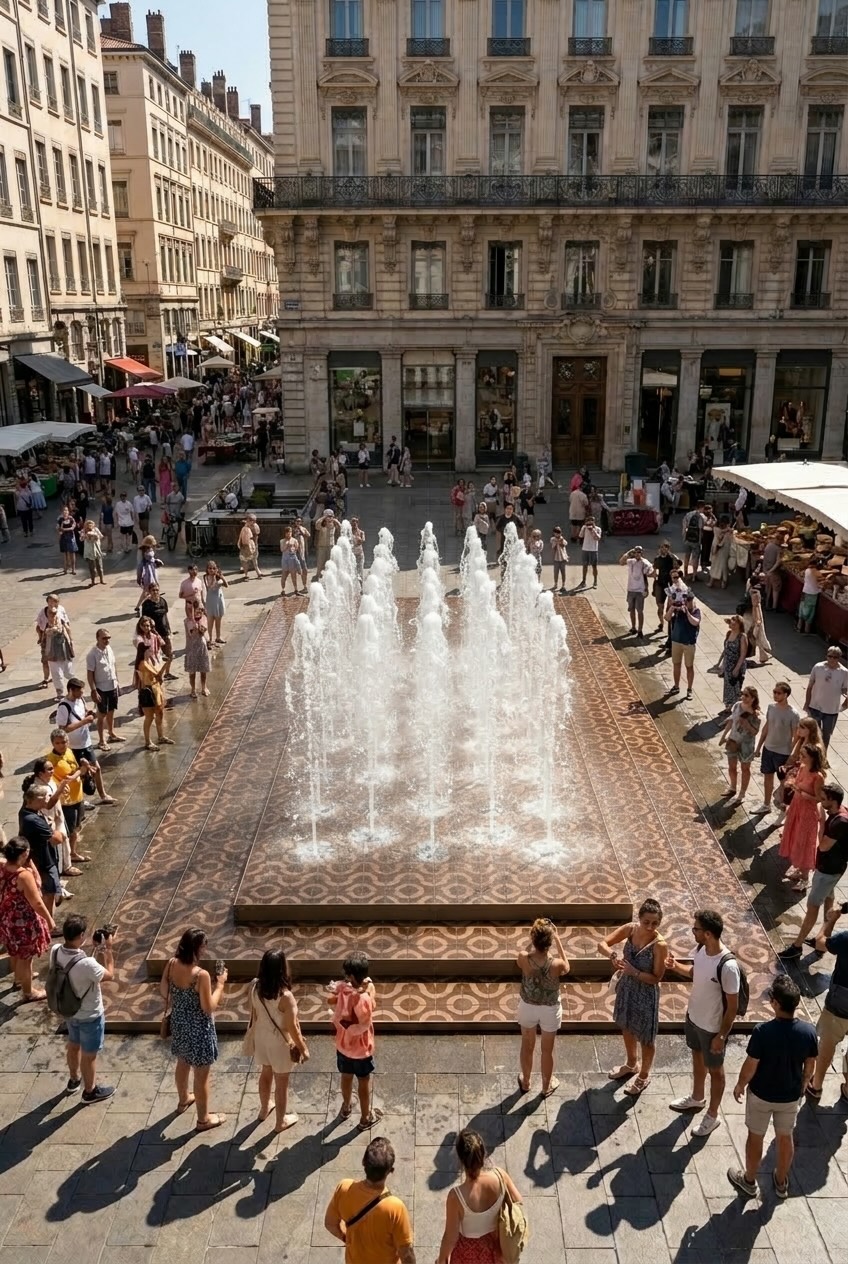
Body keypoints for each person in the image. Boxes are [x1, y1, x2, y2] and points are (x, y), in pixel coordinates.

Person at [727, 974, 818, 1199]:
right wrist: (804, 1083)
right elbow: (810, 1064)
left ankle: (749, 1180)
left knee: (755, 1137)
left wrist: (740, 1084)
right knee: (785, 1138)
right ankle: (780, 1182)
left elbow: (751, 1065)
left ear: (776, 1003)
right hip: (789, 1097)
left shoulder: (762, 1032)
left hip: (761, 1095)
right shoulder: (808, 1032)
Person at [667, 908, 740, 1137]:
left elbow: (733, 1005)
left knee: (716, 1071)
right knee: (696, 1057)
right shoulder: (701, 949)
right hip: (694, 1017)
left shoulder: (728, 966)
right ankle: (697, 1098)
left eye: (696, 929)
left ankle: (712, 1115)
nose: (693, 932)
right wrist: (675, 967)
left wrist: (721, 1036)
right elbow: (695, 972)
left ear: (708, 933)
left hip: (712, 1027)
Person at [160, 927, 227, 1129]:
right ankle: (203, 1119)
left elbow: (164, 990)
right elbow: (209, 1007)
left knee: (182, 1062)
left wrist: (180, 1003)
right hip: (199, 1028)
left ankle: (183, 1100)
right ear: (199, 948)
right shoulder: (201, 975)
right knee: (201, 1074)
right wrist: (221, 985)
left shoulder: (171, 963)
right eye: (204, 946)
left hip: (179, 1023)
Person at [600, 898, 668, 1096]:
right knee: (626, 1024)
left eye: (655, 923)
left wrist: (634, 972)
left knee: (646, 1037)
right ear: (639, 919)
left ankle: (644, 1076)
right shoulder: (630, 930)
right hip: (627, 988)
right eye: (646, 922)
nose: (650, 926)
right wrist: (612, 955)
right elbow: (602, 944)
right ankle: (631, 1063)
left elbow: (657, 977)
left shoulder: (660, 945)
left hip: (646, 993)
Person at [50, 913, 115, 1102]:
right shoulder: (88, 964)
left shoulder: (55, 951)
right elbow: (109, 974)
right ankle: (90, 1091)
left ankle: (73, 1080)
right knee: (89, 1055)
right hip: (90, 1015)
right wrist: (108, 949)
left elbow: (73, 962)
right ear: (80, 936)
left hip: (69, 1011)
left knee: (73, 1045)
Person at [780, 784, 848, 960]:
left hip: (828, 871)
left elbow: (823, 846)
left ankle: (797, 946)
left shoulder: (839, 821)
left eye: (824, 799)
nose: (821, 801)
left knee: (812, 907)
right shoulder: (840, 813)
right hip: (833, 869)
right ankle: (823, 943)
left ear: (833, 801)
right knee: (829, 900)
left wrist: (821, 821)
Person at [246, 948, 309, 1132]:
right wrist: (303, 1048)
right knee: (282, 1083)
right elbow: (291, 1028)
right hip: (279, 1043)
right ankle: (280, 1122)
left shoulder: (254, 986)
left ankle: (264, 1109)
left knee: (265, 1073)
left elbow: (254, 1011)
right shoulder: (285, 997)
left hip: (261, 1037)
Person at [436, 1129, 523, 1264]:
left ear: (460, 1160)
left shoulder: (456, 1196)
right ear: (482, 1153)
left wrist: (441, 1259)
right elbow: (518, 1201)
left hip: (465, 1252)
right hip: (495, 1247)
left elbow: (450, 1237)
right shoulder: (500, 1176)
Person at [324, 1136, 415, 1264]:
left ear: (363, 1163)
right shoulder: (395, 1208)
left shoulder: (344, 1188)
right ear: (391, 1171)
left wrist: (347, 1238)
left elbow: (330, 1224)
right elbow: (406, 1254)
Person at [326, 949, 381, 1130]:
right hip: (362, 1048)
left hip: (343, 1044)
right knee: (363, 1082)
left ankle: (346, 1107)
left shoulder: (344, 989)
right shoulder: (365, 995)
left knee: (346, 1076)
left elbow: (330, 1001)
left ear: (350, 975)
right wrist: (369, 991)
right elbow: (371, 1007)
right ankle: (365, 1118)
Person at [516, 917, 570, 1096]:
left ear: (533, 939)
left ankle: (526, 1081)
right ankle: (546, 1086)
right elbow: (567, 968)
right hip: (549, 1009)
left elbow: (520, 956)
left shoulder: (524, 959)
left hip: (528, 1006)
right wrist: (559, 940)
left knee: (527, 1044)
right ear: (550, 942)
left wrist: (531, 941)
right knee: (547, 1050)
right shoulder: (556, 964)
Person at [0, 836, 55, 1000]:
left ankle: (19, 979)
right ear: (23, 854)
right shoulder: (23, 876)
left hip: (6, 918)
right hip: (23, 922)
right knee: (26, 958)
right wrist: (49, 920)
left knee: (14, 951)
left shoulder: (2, 865)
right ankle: (29, 992)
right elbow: (37, 902)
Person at [806, 905, 848, 1102]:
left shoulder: (846, 938)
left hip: (841, 1004)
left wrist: (830, 920)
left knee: (827, 1046)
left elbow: (820, 943)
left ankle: (816, 1086)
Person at [56, 678, 116, 805]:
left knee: (96, 768)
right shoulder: (63, 706)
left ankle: (103, 795)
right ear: (72, 690)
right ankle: (80, 800)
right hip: (74, 746)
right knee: (78, 773)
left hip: (86, 742)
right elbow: (63, 729)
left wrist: (89, 713)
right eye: (80, 692)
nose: (83, 694)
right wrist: (84, 721)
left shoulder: (80, 700)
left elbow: (84, 712)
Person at [779, 743, 825, 893]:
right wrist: (792, 785)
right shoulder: (803, 768)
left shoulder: (817, 776)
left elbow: (819, 798)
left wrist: (806, 795)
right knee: (794, 838)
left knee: (804, 843)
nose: (801, 757)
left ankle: (805, 879)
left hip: (807, 812)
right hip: (796, 807)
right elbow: (798, 784)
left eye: (804, 755)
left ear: (812, 758)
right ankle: (799, 869)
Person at [754, 682, 800, 816]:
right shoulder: (771, 708)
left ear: (786, 695)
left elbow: (795, 736)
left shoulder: (793, 714)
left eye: (778, 693)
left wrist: (792, 754)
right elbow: (766, 728)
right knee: (767, 777)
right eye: (774, 692)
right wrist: (758, 747)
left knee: (784, 783)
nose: (775, 694)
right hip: (768, 749)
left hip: (783, 753)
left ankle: (784, 809)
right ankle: (766, 804)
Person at [719, 685, 762, 806]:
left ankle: (742, 793)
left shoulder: (755, 714)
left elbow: (755, 732)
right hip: (733, 740)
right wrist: (723, 737)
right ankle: (732, 787)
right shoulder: (737, 705)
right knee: (731, 766)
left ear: (753, 698)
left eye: (746, 695)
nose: (743, 697)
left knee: (745, 768)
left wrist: (747, 724)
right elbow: (732, 721)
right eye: (743, 694)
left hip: (746, 744)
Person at [804, 646, 848, 750]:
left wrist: (843, 707)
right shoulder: (818, 667)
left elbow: (845, 689)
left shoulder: (844, 672)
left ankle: (823, 756)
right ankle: (811, 756)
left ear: (839, 658)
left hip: (831, 710)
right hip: (815, 706)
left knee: (826, 736)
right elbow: (810, 686)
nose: (832, 659)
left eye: (835, 657)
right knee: (813, 734)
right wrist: (806, 704)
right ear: (826, 656)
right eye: (830, 656)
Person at [86, 628, 123, 750]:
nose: (106, 640)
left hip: (112, 685)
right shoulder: (92, 654)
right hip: (101, 687)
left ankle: (111, 733)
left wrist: (117, 681)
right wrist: (93, 690)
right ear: (98, 638)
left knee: (111, 711)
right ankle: (102, 740)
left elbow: (114, 665)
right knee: (101, 714)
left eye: (108, 638)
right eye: (104, 638)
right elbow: (90, 674)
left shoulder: (109, 649)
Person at [133, 643, 173, 750]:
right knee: (149, 717)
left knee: (160, 714)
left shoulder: (148, 661)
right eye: (147, 650)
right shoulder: (143, 663)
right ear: (143, 652)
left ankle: (161, 736)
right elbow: (158, 675)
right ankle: (147, 741)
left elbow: (158, 677)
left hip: (156, 690)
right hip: (148, 691)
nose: (150, 652)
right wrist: (167, 663)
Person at [669, 590, 701, 700]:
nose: (687, 603)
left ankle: (689, 689)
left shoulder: (696, 611)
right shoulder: (678, 611)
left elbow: (695, 622)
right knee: (676, 664)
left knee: (689, 667)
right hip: (676, 641)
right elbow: (667, 618)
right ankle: (676, 686)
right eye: (685, 601)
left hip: (689, 643)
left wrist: (687, 612)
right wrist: (672, 608)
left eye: (688, 601)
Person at [619, 545, 653, 639]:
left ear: (641, 553)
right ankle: (633, 627)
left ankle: (640, 630)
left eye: (639, 552)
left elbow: (650, 572)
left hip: (640, 590)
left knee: (640, 611)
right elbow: (621, 562)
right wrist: (628, 552)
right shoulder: (631, 561)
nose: (637, 554)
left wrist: (646, 588)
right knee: (631, 610)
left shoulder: (645, 562)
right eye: (636, 552)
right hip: (631, 589)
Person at [141, 583, 175, 678]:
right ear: (149, 591)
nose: (155, 592)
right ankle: (156, 673)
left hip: (164, 631)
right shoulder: (146, 604)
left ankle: (166, 673)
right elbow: (144, 620)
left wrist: (169, 630)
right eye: (153, 590)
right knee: (155, 655)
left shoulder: (163, 601)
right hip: (153, 634)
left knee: (169, 654)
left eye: (157, 590)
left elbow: (165, 616)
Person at [43, 606, 75, 703]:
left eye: (54, 613)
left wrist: (71, 640)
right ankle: (60, 693)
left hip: (64, 650)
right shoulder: (46, 624)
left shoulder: (61, 620)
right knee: (56, 674)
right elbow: (44, 632)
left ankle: (74, 688)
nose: (53, 615)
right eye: (50, 613)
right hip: (53, 652)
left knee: (69, 672)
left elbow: (68, 629)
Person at [719, 615, 749, 712]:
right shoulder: (729, 634)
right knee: (728, 686)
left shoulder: (742, 637)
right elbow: (726, 650)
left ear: (738, 625)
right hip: (728, 664)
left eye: (733, 623)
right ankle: (729, 705)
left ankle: (736, 706)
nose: (731, 624)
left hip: (737, 665)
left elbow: (743, 655)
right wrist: (721, 664)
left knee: (736, 686)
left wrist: (736, 668)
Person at [184, 597, 211, 699]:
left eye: (201, 610)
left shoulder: (203, 619)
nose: (199, 612)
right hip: (191, 647)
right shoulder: (188, 621)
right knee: (192, 671)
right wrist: (195, 625)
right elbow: (191, 633)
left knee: (203, 669)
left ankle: (204, 687)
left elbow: (203, 631)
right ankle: (193, 689)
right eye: (197, 610)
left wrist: (201, 626)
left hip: (202, 646)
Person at [652, 541, 681, 631]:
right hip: (660, 584)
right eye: (662, 547)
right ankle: (661, 623)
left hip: (669, 585)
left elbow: (679, 564)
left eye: (665, 548)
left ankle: (669, 625)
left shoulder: (671, 558)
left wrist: (673, 556)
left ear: (668, 549)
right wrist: (654, 575)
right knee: (660, 606)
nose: (663, 549)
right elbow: (654, 569)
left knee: (669, 607)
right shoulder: (658, 559)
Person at [202, 561, 228, 644]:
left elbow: (226, 585)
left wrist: (221, 576)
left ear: (217, 569)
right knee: (210, 620)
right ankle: (209, 638)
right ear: (207, 569)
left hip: (218, 599)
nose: (212, 570)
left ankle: (218, 636)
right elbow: (210, 587)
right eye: (210, 568)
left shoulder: (219, 577)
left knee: (218, 619)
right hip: (210, 600)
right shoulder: (205, 577)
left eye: (214, 568)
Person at [681, 500, 705, 581]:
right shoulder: (701, 517)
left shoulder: (688, 514)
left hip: (687, 539)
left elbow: (684, 526)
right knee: (695, 558)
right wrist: (700, 541)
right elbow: (701, 529)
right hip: (695, 541)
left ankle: (685, 573)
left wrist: (684, 537)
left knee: (686, 556)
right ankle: (694, 576)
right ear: (702, 507)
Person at [315, 508, 341, 580]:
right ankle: (318, 574)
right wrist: (323, 518)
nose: (329, 518)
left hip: (331, 546)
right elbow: (316, 526)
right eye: (328, 516)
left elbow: (341, 528)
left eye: (331, 516)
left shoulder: (334, 524)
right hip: (322, 546)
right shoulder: (322, 524)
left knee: (331, 561)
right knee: (320, 561)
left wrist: (336, 521)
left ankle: (331, 575)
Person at [797, 559, 822, 633]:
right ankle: (807, 630)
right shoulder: (817, 572)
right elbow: (820, 580)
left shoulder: (807, 570)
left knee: (802, 609)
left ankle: (799, 627)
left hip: (805, 591)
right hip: (812, 593)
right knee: (810, 612)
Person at [709, 514, 733, 588]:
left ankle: (711, 582)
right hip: (724, 549)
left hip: (716, 548)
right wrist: (728, 530)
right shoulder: (728, 531)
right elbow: (725, 538)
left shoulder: (716, 529)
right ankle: (723, 582)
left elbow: (719, 533)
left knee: (714, 565)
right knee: (724, 566)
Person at [237, 514, 264, 579]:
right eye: (250, 520)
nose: (253, 522)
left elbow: (255, 537)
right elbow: (242, 535)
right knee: (245, 560)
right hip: (245, 545)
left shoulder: (255, 526)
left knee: (254, 558)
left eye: (254, 521)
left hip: (253, 544)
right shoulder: (245, 526)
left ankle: (258, 572)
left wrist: (253, 545)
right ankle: (246, 574)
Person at [578, 515, 601, 589]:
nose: (590, 525)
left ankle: (595, 581)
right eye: (588, 522)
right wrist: (584, 528)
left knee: (594, 566)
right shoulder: (584, 528)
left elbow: (597, 538)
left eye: (591, 522)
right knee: (585, 565)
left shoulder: (598, 529)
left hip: (593, 549)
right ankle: (584, 581)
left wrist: (593, 530)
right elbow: (580, 536)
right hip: (585, 549)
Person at [57, 504, 79, 575]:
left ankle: (73, 569)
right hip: (64, 538)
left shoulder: (71, 519)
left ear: (68, 511)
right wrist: (59, 531)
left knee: (72, 553)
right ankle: (65, 568)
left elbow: (73, 527)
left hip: (71, 538)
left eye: (66, 510)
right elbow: (58, 528)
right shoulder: (60, 519)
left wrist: (63, 529)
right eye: (63, 510)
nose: (65, 512)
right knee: (65, 554)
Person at [550, 525, 568, 593]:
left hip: (563, 559)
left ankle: (563, 585)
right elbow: (553, 548)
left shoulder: (562, 539)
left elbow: (564, 545)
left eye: (559, 532)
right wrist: (556, 542)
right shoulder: (552, 539)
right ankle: (555, 584)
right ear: (554, 533)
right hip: (556, 559)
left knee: (563, 572)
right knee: (556, 572)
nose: (557, 534)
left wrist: (560, 542)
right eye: (556, 533)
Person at [350, 517, 366, 588]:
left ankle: (361, 588)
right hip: (351, 555)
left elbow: (363, 540)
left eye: (356, 521)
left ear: (358, 523)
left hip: (359, 555)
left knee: (360, 571)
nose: (354, 523)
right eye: (353, 521)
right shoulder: (349, 532)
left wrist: (360, 540)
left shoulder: (361, 532)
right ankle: (352, 588)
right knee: (351, 571)